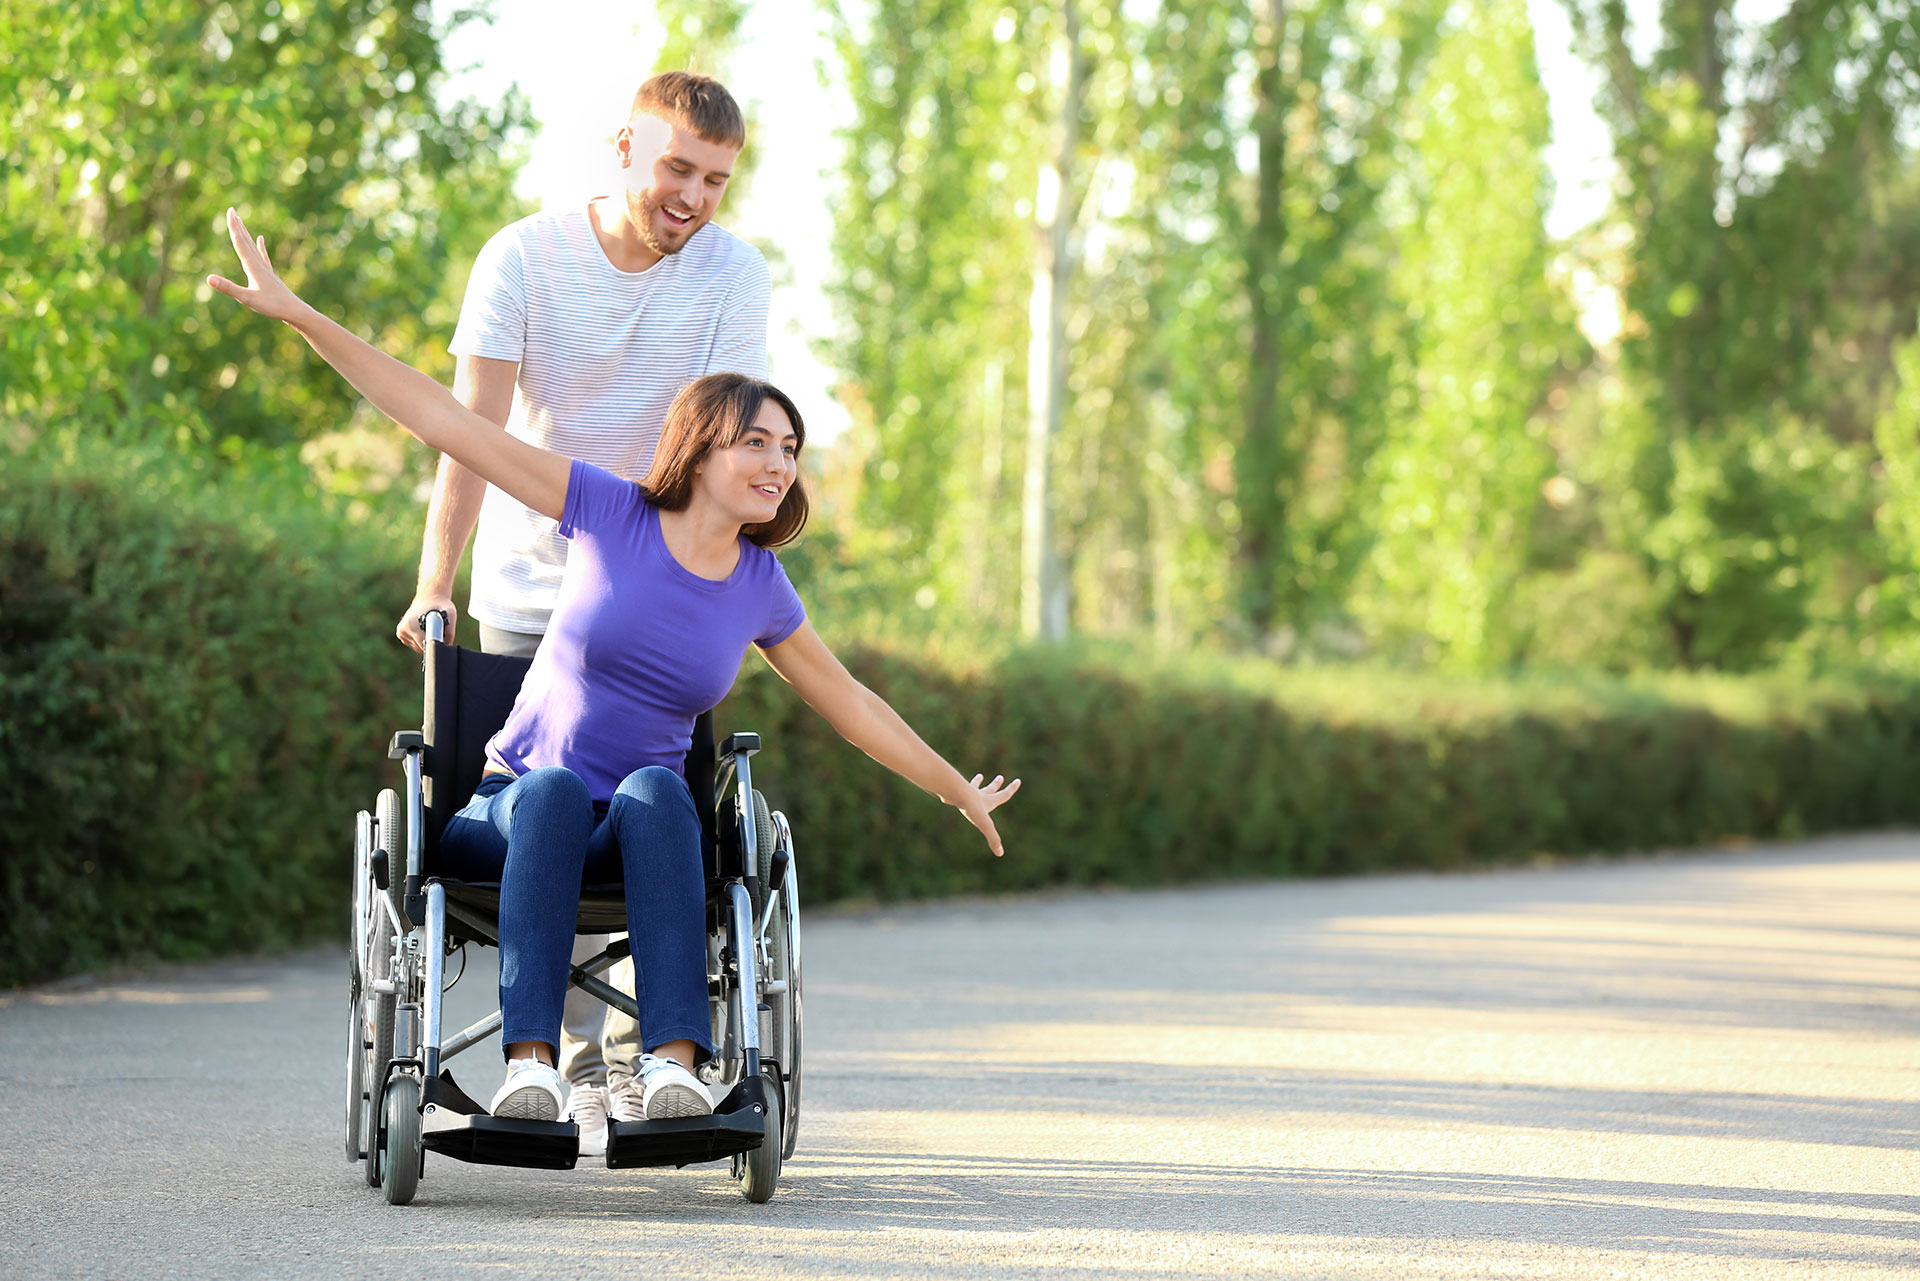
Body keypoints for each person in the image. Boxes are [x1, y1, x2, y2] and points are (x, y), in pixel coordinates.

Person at [209, 207, 1021, 1124]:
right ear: (702, 447)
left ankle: (675, 1066)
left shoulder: (760, 584)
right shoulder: (607, 509)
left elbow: (851, 703)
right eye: (757, 442)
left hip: (629, 833)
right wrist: (301, 316)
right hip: (510, 813)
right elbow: (446, 419)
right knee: (556, 790)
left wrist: (954, 786)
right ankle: (531, 1066)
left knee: (662, 790)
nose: (780, 464)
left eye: (790, 449)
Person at [397, 70, 771, 1150]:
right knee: (548, 800)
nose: (693, 197)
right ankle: (561, 1056)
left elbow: (724, 441)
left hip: (656, 594)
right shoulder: (523, 259)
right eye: (676, 168)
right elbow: (470, 431)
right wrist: (436, 580)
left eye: (715, 180)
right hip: (527, 591)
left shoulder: (733, 275)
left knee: (654, 801)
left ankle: (654, 1056)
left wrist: (702, 585)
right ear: (623, 147)